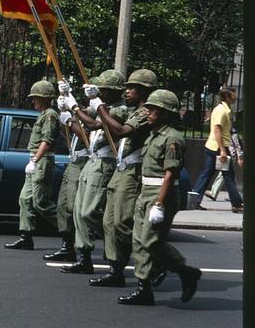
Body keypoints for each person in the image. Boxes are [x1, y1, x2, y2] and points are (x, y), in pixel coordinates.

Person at [117, 90, 202, 306]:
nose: (147, 112)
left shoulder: (172, 138)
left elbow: (170, 174)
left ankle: (185, 270)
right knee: (138, 241)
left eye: (152, 109)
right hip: (145, 192)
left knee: (150, 240)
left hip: (160, 195)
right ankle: (144, 289)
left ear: (164, 113)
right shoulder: (153, 134)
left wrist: (159, 204)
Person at [86, 69, 158, 287]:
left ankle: (154, 264)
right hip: (120, 169)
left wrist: (99, 105)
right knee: (109, 223)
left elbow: (120, 131)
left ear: (144, 90)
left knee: (122, 224)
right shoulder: (133, 110)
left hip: (132, 172)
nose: (127, 91)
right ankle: (115, 270)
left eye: (132, 88)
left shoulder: (145, 113)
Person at [60, 70, 129, 274]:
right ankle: (84, 257)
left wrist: (73, 107)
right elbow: (86, 114)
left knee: (90, 212)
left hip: (104, 162)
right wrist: (67, 96)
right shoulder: (103, 107)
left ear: (115, 92)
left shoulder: (119, 110)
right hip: (92, 160)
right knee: (79, 212)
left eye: (105, 90)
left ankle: (118, 245)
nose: (101, 93)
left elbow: (93, 124)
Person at [4, 80, 59, 250]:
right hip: (35, 159)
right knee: (25, 199)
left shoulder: (50, 114)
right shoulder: (43, 114)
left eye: (36, 98)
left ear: (44, 98)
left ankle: (69, 231)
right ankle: (26, 237)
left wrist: (35, 160)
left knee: (40, 202)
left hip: (42, 160)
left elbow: (47, 141)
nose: (33, 101)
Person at [42, 104, 90, 263]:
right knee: (63, 205)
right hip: (73, 162)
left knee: (74, 208)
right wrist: (65, 122)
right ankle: (66, 247)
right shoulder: (79, 121)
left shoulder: (90, 122)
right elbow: (67, 134)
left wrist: (70, 121)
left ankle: (84, 255)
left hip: (83, 162)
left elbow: (87, 138)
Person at [190, 86, 243, 213]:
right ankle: (236, 204)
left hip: (214, 146)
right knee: (228, 175)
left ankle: (194, 201)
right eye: (234, 94)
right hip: (219, 147)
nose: (236, 96)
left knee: (207, 174)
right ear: (228, 97)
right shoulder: (221, 111)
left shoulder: (224, 109)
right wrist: (223, 150)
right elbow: (217, 130)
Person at [206, 126, 244, 201]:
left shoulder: (232, 131)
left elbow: (237, 145)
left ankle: (213, 193)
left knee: (223, 174)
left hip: (230, 155)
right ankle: (236, 195)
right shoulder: (226, 129)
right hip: (228, 154)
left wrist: (240, 157)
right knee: (230, 175)